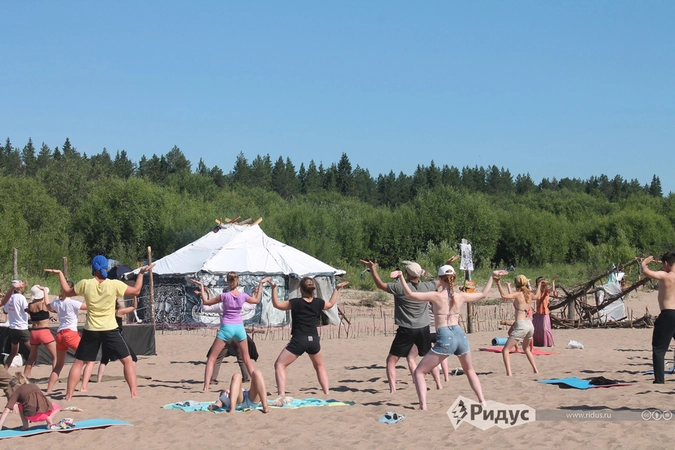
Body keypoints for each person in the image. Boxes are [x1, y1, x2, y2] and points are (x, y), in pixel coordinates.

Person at [45, 255, 154, 400]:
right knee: (127, 360)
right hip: (110, 328)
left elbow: (66, 291)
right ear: (106, 268)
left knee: (78, 363)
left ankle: (68, 396)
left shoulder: (85, 283)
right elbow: (136, 291)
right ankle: (134, 394)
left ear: (93, 268)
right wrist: (141, 273)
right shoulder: (114, 284)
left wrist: (60, 274)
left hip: (91, 329)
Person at [392, 266, 502, 410]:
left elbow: (410, 294)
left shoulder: (436, 296)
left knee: (419, 372)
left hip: (445, 335)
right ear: (454, 278)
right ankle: (482, 401)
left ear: (440, 278)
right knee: (470, 370)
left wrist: (401, 277)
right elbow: (483, 294)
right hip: (459, 334)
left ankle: (423, 406)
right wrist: (492, 276)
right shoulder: (460, 296)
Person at [359, 259, 440, 393]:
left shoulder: (400, 288)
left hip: (406, 328)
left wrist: (372, 268)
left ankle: (393, 389)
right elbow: (441, 280)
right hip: (423, 327)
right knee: (428, 358)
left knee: (391, 360)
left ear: (407, 274)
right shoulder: (427, 286)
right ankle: (439, 384)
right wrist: (446, 265)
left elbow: (380, 285)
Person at [269, 277, 348, 405]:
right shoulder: (318, 302)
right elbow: (330, 304)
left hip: (299, 340)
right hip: (314, 340)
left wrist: (273, 289)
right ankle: (327, 393)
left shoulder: (296, 302)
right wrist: (337, 289)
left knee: (279, 365)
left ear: (300, 289)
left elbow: (277, 305)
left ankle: (281, 395)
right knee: (319, 366)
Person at [191, 274, 267, 392]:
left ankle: (206, 387)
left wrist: (202, 287)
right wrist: (261, 284)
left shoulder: (224, 296)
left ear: (227, 282)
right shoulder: (243, 295)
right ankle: (257, 385)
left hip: (227, 328)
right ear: (237, 282)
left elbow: (206, 303)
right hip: (239, 328)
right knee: (246, 359)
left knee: (212, 359)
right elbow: (256, 301)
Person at [45, 281, 95, 393]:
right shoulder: (73, 303)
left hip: (59, 334)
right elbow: (90, 306)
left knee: (58, 365)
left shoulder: (57, 302)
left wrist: (45, 292)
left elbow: (47, 306)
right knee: (90, 360)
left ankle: (49, 389)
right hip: (70, 333)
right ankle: (84, 386)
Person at [202, 301, 258, 384]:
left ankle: (212, 379)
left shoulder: (221, 305)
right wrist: (255, 295)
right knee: (242, 358)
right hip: (238, 332)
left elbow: (205, 308)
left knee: (217, 359)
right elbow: (252, 306)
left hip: (225, 333)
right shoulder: (239, 304)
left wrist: (203, 296)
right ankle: (246, 377)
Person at [641, 253, 675, 384]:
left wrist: (644, 263)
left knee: (659, 349)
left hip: (668, 314)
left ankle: (659, 380)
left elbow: (646, 272)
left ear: (666, 263)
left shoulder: (666, 276)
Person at [495, 274, 538, 376]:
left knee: (505, 350)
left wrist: (498, 283)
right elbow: (538, 296)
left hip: (521, 324)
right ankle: (535, 370)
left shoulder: (519, 294)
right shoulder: (529, 294)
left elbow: (504, 296)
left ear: (516, 284)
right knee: (526, 349)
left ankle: (509, 373)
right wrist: (540, 285)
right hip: (530, 324)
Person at [96, 297, 139, 383]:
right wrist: (134, 297)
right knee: (133, 358)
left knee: (104, 360)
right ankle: (130, 376)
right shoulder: (119, 311)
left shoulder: (105, 312)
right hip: (117, 337)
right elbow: (134, 307)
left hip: (105, 336)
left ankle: (98, 380)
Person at [1, 281, 30, 370]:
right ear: (20, 288)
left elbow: (5, 311)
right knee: (33, 350)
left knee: (13, 352)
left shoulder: (9, 298)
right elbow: (26, 309)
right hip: (22, 327)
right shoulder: (21, 297)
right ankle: (27, 372)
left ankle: (5, 369)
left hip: (12, 327)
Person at [532, 276, 556, 347]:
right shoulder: (537, 291)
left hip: (545, 312)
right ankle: (537, 342)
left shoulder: (546, 290)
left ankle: (547, 342)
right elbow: (530, 291)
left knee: (545, 329)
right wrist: (528, 283)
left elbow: (553, 289)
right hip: (538, 312)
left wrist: (553, 281)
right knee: (537, 328)